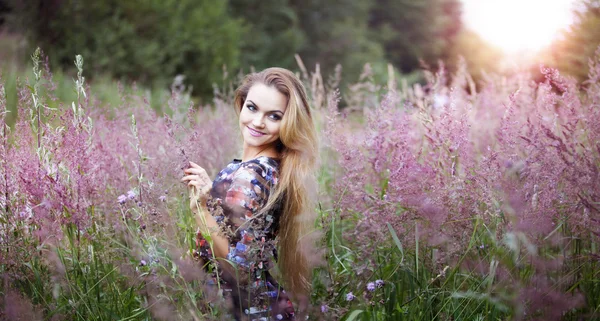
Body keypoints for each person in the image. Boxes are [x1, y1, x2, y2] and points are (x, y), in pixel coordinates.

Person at [181, 67, 318, 320]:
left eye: (274, 116)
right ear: (241, 104)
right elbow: (238, 233)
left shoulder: (252, 174)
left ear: (288, 122)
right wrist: (212, 195)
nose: (257, 122)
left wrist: (200, 209)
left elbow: (237, 269)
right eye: (252, 108)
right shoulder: (269, 168)